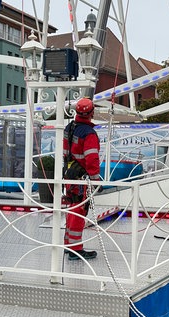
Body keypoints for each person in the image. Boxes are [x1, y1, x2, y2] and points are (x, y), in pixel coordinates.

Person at [62, 98, 101, 260]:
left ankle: (68, 244)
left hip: (69, 173)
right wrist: (96, 180)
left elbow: (65, 151)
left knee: (71, 207)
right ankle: (75, 248)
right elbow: (91, 159)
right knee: (78, 210)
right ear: (91, 113)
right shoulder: (89, 133)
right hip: (81, 177)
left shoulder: (69, 128)